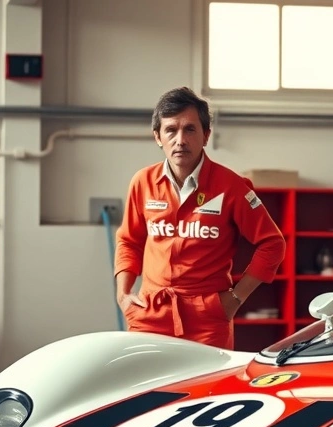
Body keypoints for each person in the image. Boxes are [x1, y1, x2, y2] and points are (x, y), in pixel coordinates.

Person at [114, 86, 285, 350]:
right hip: (150, 313)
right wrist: (124, 295)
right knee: (147, 389)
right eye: (171, 130)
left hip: (208, 319)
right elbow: (129, 241)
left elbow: (273, 244)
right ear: (158, 137)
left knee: (207, 391)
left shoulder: (232, 186)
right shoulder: (142, 182)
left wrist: (236, 298)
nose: (180, 140)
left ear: (206, 135)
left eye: (190, 129)